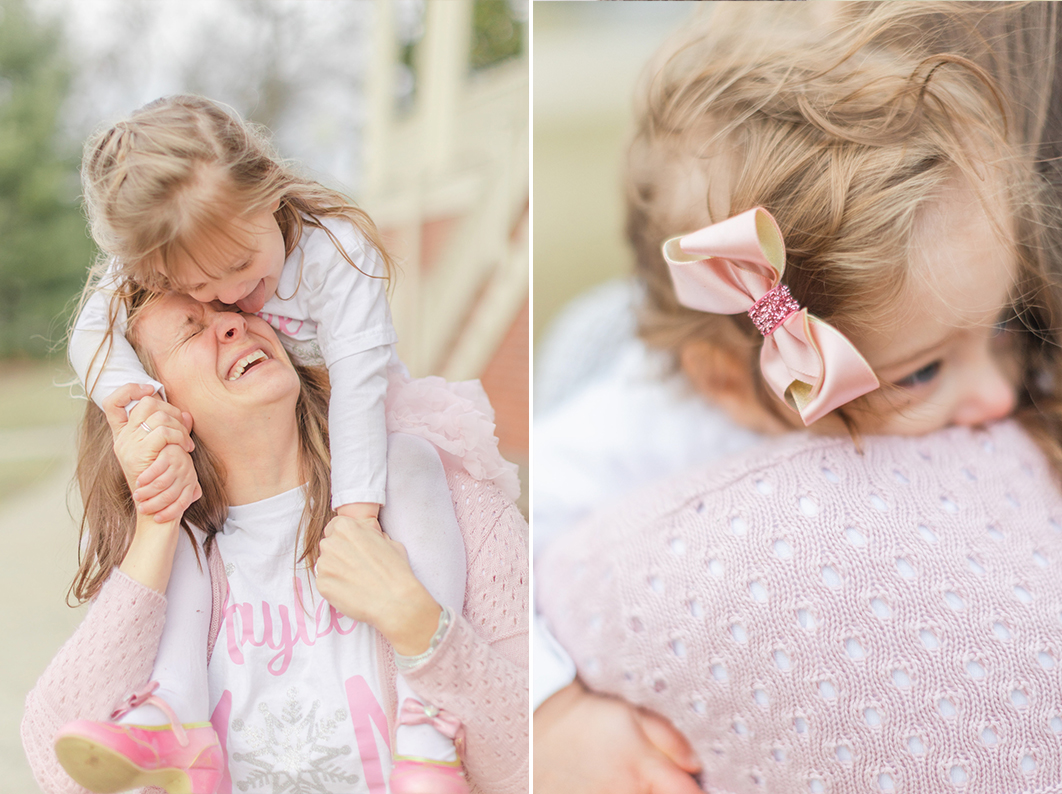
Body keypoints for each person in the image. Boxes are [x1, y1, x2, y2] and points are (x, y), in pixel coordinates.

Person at [533, 2, 1062, 791]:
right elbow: (499, 564)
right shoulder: (626, 426)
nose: (995, 395)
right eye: (922, 372)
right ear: (726, 381)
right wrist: (552, 720)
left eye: (1002, 329)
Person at [65, 95, 519, 793]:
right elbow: (52, 747)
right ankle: (170, 715)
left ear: (269, 190)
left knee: (411, 459)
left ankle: (426, 723)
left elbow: (362, 387)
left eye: (239, 271)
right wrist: (142, 417)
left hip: (369, 440)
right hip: (217, 486)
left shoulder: (334, 253)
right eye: (198, 305)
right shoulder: (184, 546)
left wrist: (364, 527)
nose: (236, 305)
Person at [23, 292, 529, 794]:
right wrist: (157, 519)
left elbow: (538, 757)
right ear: (146, 402)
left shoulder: (442, 502)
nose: (233, 326)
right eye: (191, 328)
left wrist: (420, 626)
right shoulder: (175, 569)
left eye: (240, 310)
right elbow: (57, 766)